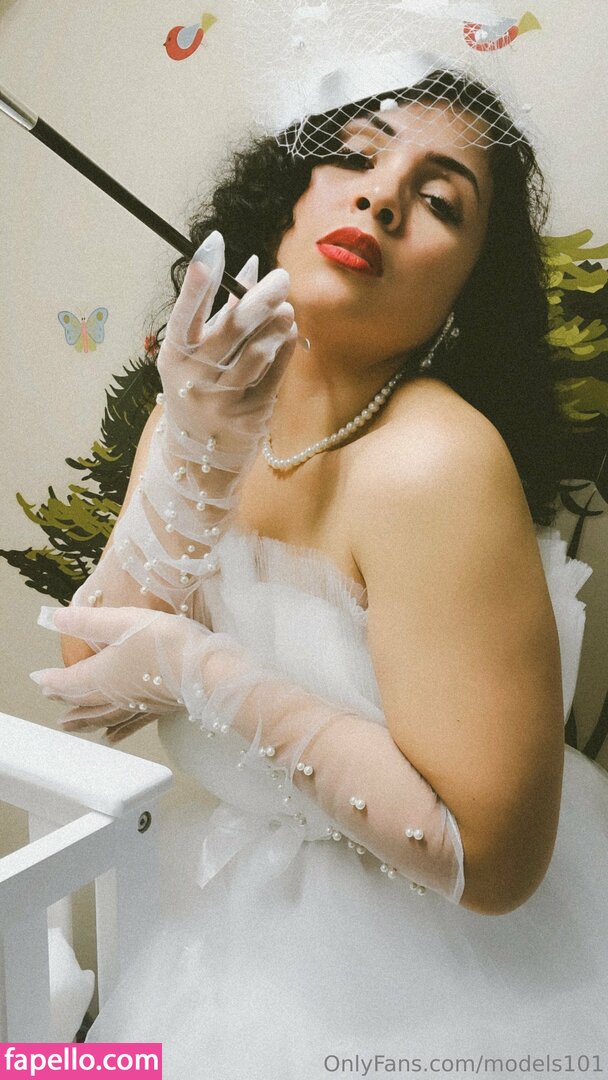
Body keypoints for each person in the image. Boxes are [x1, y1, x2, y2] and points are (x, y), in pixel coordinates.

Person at [33, 66, 608, 1077]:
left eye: (440, 201)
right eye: (351, 156)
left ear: (464, 298)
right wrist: (193, 457)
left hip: (435, 973)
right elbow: (91, 683)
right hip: (225, 907)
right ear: (283, 202)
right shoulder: (199, 406)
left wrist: (205, 673)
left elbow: (494, 865)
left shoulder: (436, 462)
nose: (382, 197)